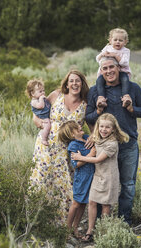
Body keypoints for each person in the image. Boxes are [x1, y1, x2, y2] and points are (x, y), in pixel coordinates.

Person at [85, 56, 141, 226]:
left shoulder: (133, 88)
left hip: (128, 146)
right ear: (101, 71)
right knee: (101, 184)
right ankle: (100, 224)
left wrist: (131, 108)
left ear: (118, 68)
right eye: (104, 68)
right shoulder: (95, 91)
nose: (108, 71)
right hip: (103, 149)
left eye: (111, 67)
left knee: (127, 185)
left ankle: (124, 222)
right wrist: (98, 110)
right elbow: (88, 117)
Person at [29, 70, 90, 225]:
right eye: (72, 81)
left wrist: (94, 138)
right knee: (43, 179)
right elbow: (38, 112)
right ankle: (37, 220)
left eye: (78, 81)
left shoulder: (85, 104)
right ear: (67, 83)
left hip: (68, 150)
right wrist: (38, 122)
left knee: (65, 183)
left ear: (82, 83)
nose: (75, 84)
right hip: (47, 145)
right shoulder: (56, 95)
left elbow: (92, 125)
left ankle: (62, 223)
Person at [71, 113, 129, 242]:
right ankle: (90, 231)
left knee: (105, 206)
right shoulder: (97, 138)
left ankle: (104, 232)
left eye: (107, 127)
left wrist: (80, 158)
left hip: (109, 178)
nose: (104, 129)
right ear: (97, 127)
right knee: (92, 202)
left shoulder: (112, 144)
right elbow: (85, 140)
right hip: (97, 176)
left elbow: (97, 159)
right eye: (101, 126)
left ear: (113, 129)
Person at [58, 120, 96, 238]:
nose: (80, 126)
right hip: (82, 177)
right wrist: (91, 155)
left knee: (84, 203)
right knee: (76, 203)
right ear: (72, 134)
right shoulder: (73, 145)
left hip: (92, 175)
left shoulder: (86, 137)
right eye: (76, 127)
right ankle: (67, 229)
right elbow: (76, 164)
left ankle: (75, 228)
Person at [96, 28, 132, 109]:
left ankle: (125, 98)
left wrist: (115, 55)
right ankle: (101, 98)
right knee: (99, 81)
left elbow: (124, 63)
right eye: (115, 40)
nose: (118, 42)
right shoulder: (107, 48)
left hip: (122, 71)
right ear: (110, 41)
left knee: (125, 80)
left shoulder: (126, 51)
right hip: (107, 72)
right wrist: (102, 55)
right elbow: (98, 59)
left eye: (121, 40)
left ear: (125, 42)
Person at [25, 79, 51, 145]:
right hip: (43, 117)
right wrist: (41, 99)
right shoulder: (34, 101)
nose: (43, 93)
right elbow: (40, 106)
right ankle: (44, 139)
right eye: (40, 91)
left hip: (46, 115)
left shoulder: (39, 98)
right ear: (32, 93)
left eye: (43, 91)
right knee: (47, 126)